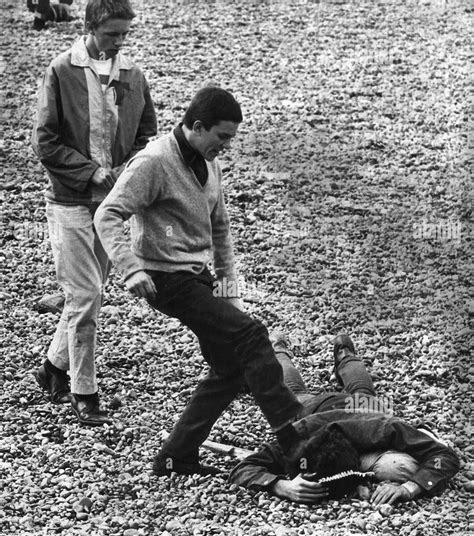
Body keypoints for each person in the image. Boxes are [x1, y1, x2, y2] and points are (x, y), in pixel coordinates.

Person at [94, 86, 306, 475]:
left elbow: (221, 231)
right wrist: (131, 268)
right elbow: (107, 214)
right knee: (252, 336)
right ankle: (297, 436)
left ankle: (177, 457)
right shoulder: (154, 162)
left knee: (229, 367)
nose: (226, 145)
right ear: (196, 126)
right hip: (162, 278)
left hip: (197, 277)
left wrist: (230, 296)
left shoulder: (210, 164)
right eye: (222, 136)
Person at [31, 0, 157, 426]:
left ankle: (51, 369)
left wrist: (126, 174)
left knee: (85, 293)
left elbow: (148, 136)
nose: (119, 42)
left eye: (125, 34)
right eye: (111, 34)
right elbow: (44, 141)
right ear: (88, 27)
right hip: (69, 201)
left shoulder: (133, 75)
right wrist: (92, 174)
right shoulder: (60, 70)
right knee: (86, 295)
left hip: (112, 207)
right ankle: (84, 393)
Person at [229, 333, 460, 506]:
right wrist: (282, 486)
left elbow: (445, 456)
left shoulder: (382, 429)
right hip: (314, 410)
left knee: (356, 391)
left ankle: (343, 355)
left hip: (364, 410)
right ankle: (279, 351)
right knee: (294, 393)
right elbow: (243, 468)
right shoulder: (296, 440)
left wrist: (410, 488)